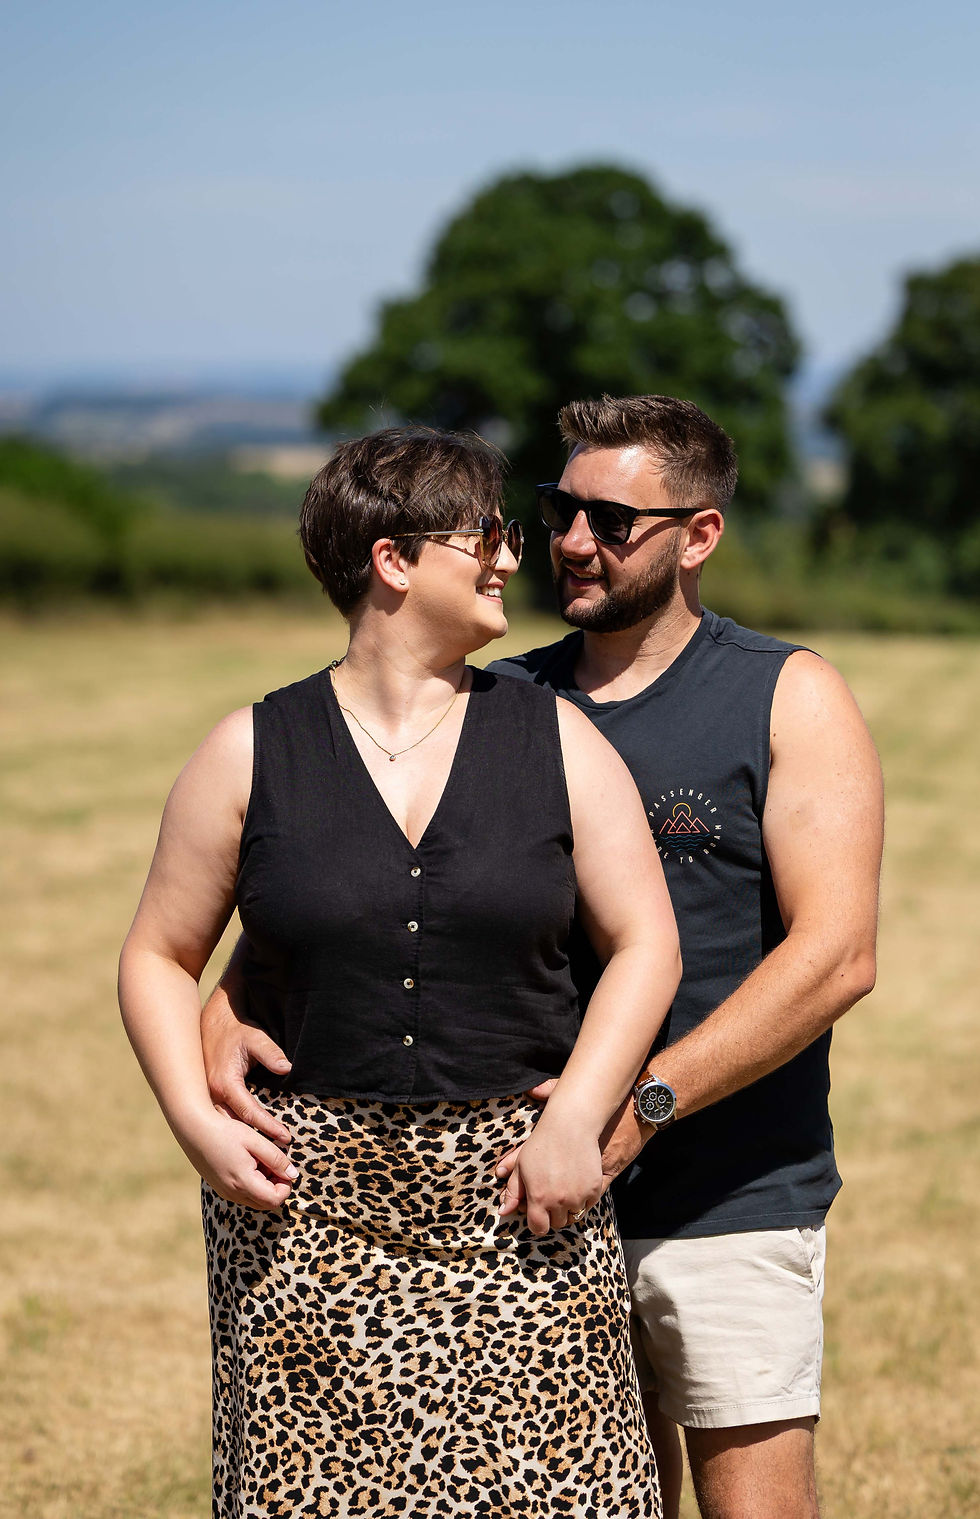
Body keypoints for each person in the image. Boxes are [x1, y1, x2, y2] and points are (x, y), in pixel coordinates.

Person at [203, 396, 884, 1519]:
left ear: (697, 535)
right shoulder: (501, 698)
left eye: (611, 520)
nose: (570, 540)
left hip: (722, 1187)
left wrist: (634, 1109)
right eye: (558, 509)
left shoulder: (782, 693)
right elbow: (342, 898)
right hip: (517, 1214)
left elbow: (835, 957)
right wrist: (224, 1005)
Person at [118, 424, 680, 1519]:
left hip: (518, 1202)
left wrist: (576, 1116)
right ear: (393, 559)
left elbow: (646, 943)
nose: (511, 557)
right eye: (486, 535)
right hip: (302, 1221)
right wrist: (192, 1118)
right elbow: (156, 953)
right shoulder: (250, 748)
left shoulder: (558, 742)